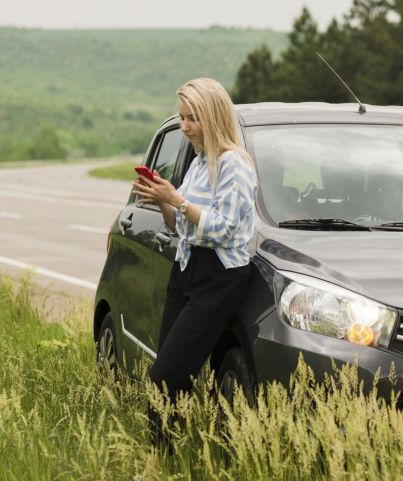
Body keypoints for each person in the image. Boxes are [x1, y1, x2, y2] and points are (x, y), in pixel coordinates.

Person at [132, 77, 257, 449]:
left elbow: (222, 229)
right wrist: (162, 199)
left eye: (192, 119)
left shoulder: (235, 166)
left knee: (165, 376)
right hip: (186, 268)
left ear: (214, 118)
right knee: (171, 374)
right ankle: (169, 457)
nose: (184, 127)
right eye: (182, 117)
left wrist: (178, 200)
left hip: (218, 276)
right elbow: (180, 225)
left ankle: (164, 460)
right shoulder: (200, 162)